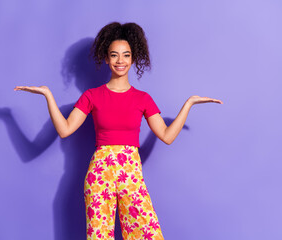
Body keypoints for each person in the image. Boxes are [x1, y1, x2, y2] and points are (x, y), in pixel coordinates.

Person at [14, 22, 223, 240]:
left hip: (131, 173)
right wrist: (48, 95)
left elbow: (167, 136)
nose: (120, 61)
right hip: (99, 174)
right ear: (106, 58)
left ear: (133, 58)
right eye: (114, 55)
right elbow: (65, 130)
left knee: (146, 233)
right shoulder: (91, 96)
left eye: (126, 55)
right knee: (99, 236)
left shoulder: (143, 98)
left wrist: (188, 104)